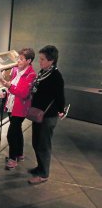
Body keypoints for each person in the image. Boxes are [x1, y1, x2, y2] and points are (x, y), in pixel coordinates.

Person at [27, 45, 66, 184]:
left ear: (51, 60)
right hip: (37, 114)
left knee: (44, 144)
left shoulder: (56, 76)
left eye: (43, 59)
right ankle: (39, 167)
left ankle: (43, 174)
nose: (40, 62)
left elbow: (60, 97)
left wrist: (60, 110)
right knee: (36, 142)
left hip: (48, 116)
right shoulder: (43, 72)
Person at [0, 48, 37, 170]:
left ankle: (12, 159)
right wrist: (5, 92)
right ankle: (19, 154)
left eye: (21, 59)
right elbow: (12, 88)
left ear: (29, 60)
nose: (18, 61)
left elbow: (23, 93)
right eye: (18, 58)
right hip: (12, 106)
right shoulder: (16, 71)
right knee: (16, 130)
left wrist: (9, 86)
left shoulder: (31, 75)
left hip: (20, 109)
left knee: (11, 134)